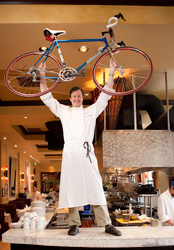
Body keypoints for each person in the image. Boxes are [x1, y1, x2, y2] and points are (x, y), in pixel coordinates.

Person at [39, 60, 122, 236]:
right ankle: (74, 224)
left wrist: (112, 73)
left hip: (87, 154)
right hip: (70, 155)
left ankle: (107, 224)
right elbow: (47, 98)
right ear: (70, 99)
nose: (77, 99)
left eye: (79, 96)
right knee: (71, 187)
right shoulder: (64, 111)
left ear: (82, 98)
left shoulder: (90, 112)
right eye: (74, 96)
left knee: (96, 186)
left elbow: (106, 96)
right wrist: (42, 76)